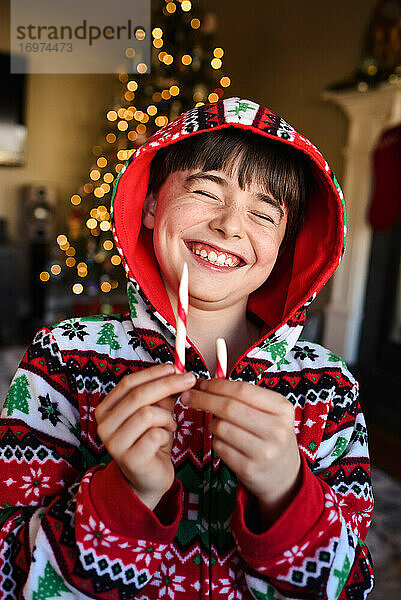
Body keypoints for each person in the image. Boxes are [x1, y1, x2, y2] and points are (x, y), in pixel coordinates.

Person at [0, 96, 374, 599]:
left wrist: (287, 495)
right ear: (152, 205)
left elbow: (349, 587)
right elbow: (12, 578)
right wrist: (126, 495)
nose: (231, 225)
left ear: (287, 245)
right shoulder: (62, 358)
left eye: (265, 214)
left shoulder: (328, 387)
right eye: (206, 190)